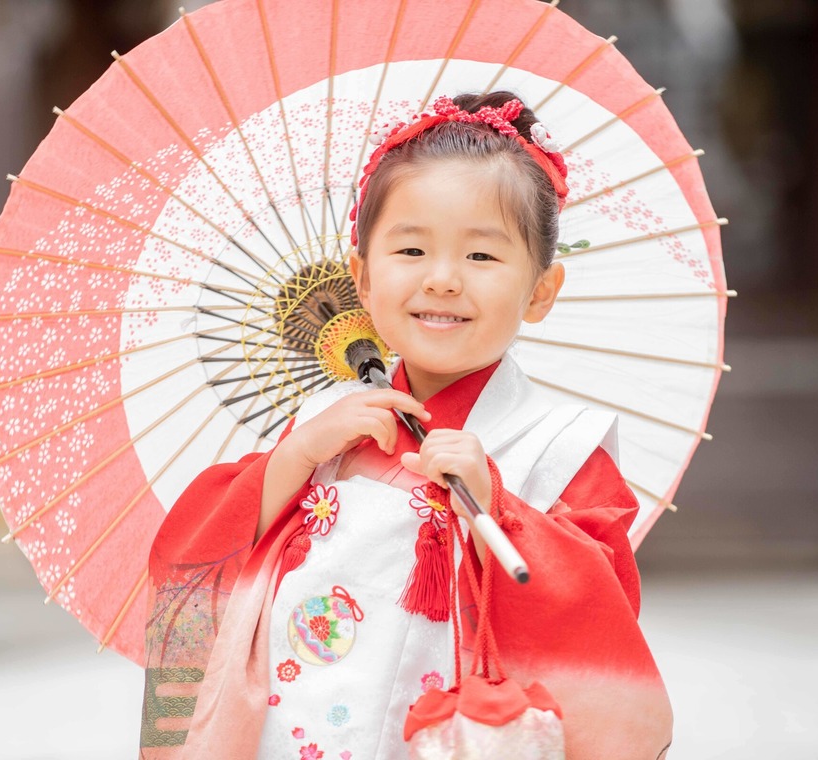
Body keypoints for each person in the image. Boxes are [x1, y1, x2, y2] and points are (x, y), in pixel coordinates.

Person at [139, 91, 673, 759]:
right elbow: (194, 558)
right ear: (362, 278)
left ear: (541, 290)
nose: (442, 280)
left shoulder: (559, 447)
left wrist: (498, 509)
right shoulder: (324, 423)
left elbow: (602, 613)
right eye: (412, 249)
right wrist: (295, 459)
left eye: (482, 257)